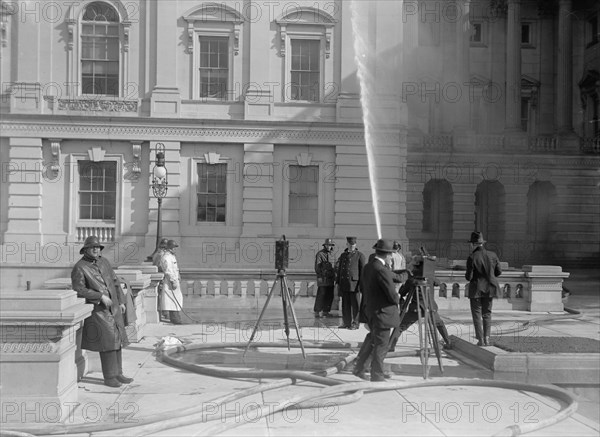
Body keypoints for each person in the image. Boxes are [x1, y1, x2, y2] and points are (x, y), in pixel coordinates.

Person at [71, 235, 133, 388]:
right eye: (92, 247)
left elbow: (115, 282)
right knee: (108, 343)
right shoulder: (80, 267)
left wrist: (122, 302)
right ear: (85, 250)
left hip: (114, 308)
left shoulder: (104, 262)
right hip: (99, 310)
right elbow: (79, 289)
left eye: (98, 247)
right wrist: (99, 296)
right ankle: (110, 377)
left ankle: (118, 373)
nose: (96, 249)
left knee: (117, 341)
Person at [352, 238, 399, 382]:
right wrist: (397, 298)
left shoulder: (369, 267)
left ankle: (359, 368)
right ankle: (377, 375)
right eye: (391, 254)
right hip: (383, 314)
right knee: (382, 345)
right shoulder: (382, 270)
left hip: (371, 311)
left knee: (373, 340)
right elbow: (392, 296)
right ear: (388, 255)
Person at [465, 231, 502, 346]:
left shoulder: (472, 257)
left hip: (476, 289)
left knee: (477, 315)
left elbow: (469, 277)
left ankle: (480, 340)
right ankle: (487, 338)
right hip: (490, 288)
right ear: (482, 243)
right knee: (487, 314)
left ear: (473, 244)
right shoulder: (493, 255)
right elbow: (498, 272)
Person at [336, 237, 366, 329]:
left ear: (355, 245)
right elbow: (340, 270)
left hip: (354, 284)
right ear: (347, 244)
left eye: (353, 245)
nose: (351, 246)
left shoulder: (360, 255)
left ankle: (355, 323)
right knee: (345, 304)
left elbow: (362, 271)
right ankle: (346, 323)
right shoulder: (343, 255)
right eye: (349, 244)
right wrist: (338, 282)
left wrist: (361, 285)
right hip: (344, 283)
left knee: (355, 305)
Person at [160, 239, 184, 325]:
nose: (175, 249)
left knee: (177, 299)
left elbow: (175, 269)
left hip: (175, 279)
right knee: (171, 300)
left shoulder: (172, 256)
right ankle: (175, 318)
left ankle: (176, 317)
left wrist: (178, 277)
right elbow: (168, 270)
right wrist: (173, 280)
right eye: (174, 248)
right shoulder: (166, 257)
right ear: (170, 248)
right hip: (170, 281)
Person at [313, 238, 337, 318]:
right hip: (323, 279)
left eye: (330, 245)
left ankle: (326, 311)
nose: (329, 246)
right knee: (321, 295)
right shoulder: (320, 254)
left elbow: (334, 266)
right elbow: (317, 267)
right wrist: (319, 276)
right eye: (327, 245)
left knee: (329, 295)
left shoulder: (333, 254)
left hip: (330, 279)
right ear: (325, 245)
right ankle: (317, 311)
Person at [152, 238, 169, 321]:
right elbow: (159, 266)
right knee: (162, 296)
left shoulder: (161, 254)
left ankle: (165, 312)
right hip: (162, 277)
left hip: (164, 277)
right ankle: (164, 312)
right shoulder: (160, 254)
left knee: (164, 295)